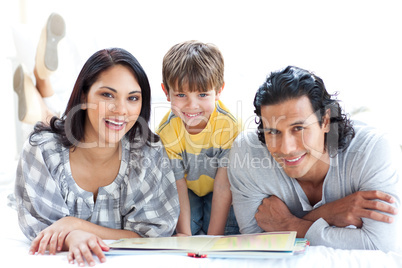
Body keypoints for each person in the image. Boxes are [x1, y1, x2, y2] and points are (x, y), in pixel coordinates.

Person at [14, 46, 180, 267]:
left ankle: (40, 85)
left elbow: (152, 236)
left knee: (46, 115)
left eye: (133, 98)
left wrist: (75, 225)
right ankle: (38, 86)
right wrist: (72, 236)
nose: (121, 110)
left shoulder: (148, 153)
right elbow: (45, 232)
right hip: (60, 136)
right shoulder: (42, 150)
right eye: (107, 94)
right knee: (44, 123)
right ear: (84, 94)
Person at [228, 66, 401, 252]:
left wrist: (288, 224)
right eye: (273, 131)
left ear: (325, 121)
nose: (286, 148)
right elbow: (254, 241)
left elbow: (380, 245)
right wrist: (329, 214)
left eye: (299, 128)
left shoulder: (372, 151)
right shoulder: (248, 152)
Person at [156, 40, 241, 236]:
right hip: (188, 191)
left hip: (220, 188)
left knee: (228, 227)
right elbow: (177, 185)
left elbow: (223, 183)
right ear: (166, 92)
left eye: (203, 94)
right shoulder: (167, 131)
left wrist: (214, 237)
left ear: (218, 91)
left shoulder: (228, 126)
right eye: (181, 95)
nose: (192, 106)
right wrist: (185, 235)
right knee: (175, 227)